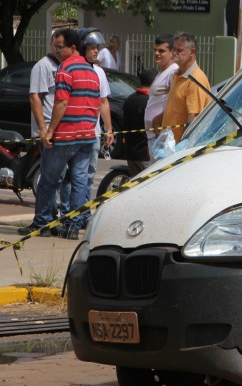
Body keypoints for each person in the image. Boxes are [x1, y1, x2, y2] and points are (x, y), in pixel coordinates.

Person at [19, 28, 101, 240]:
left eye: (60, 47)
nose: (57, 51)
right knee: (79, 181)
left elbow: (62, 102)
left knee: (49, 180)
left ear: (72, 48)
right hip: (87, 136)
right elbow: (95, 106)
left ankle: (43, 223)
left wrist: (50, 131)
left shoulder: (65, 69)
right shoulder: (92, 72)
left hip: (65, 136)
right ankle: (73, 226)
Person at [76, 28, 115, 230]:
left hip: (94, 134)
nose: (96, 51)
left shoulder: (99, 72)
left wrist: (108, 129)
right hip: (75, 134)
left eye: (97, 48)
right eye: (91, 47)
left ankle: (83, 215)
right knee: (74, 177)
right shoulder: (74, 68)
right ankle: (73, 215)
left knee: (89, 175)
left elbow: (104, 102)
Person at [161, 32, 211, 144]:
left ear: (192, 52)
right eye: (174, 49)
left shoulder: (196, 79)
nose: (174, 53)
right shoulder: (176, 75)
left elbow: (193, 118)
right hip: (168, 145)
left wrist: (182, 147)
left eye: (179, 50)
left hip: (179, 149)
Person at [144, 34, 179, 160]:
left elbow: (175, 102)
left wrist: (159, 118)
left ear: (172, 52)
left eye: (162, 51)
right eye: (155, 50)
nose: (157, 53)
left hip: (161, 136)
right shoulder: (161, 73)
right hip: (153, 135)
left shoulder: (173, 72)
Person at [123, 68, 157, 176]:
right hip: (145, 154)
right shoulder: (149, 102)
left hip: (130, 153)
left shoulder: (129, 99)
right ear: (154, 82)